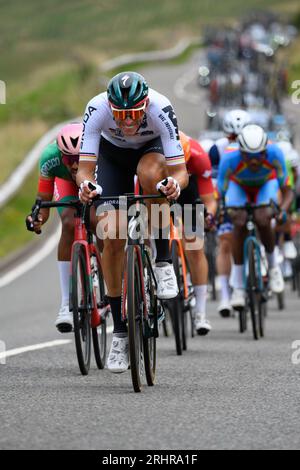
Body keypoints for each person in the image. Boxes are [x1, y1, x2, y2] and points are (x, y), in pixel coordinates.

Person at [77, 71, 189, 373]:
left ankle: (163, 261)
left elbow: (180, 171)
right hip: (111, 157)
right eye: (120, 114)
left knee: (154, 177)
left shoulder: (161, 108)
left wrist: (174, 185)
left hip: (150, 150)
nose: (127, 121)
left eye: (134, 113)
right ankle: (121, 332)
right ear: (110, 107)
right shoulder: (97, 108)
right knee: (110, 235)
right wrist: (86, 185)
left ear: (146, 104)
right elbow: (85, 169)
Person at [217, 124, 293, 308]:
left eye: (259, 155)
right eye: (248, 156)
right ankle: (239, 288)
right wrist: (223, 211)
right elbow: (221, 194)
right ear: (240, 151)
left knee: (263, 217)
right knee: (239, 222)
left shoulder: (276, 154)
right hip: (239, 188)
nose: (253, 162)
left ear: (266, 151)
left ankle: (274, 268)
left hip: (266, 185)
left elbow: (287, 190)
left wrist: (282, 210)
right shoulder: (229, 160)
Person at [26, 123, 90, 332]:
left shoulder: (99, 149)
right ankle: (66, 305)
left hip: (93, 178)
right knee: (69, 223)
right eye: (69, 159)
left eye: (78, 158)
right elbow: (43, 202)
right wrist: (37, 220)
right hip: (66, 185)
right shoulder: (49, 157)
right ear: (60, 154)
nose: (74, 165)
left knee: (104, 225)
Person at [206, 109, 251, 317]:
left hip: (251, 192)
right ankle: (225, 295)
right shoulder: (217, 150)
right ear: (226, 134)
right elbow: (213, 183)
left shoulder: (256, 144)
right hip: (227, 195)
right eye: (232, 136)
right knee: (225, 241)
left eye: (239, 136)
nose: (235, 140)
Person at [179, 131, 217, 335]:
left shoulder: (199, 156)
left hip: (189, 192)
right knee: (150, 225)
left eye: (183, 163)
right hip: (159, 185)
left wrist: (208, 216)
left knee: (194, 244)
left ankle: (201, 312)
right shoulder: (152, 152)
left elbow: (209, 200)